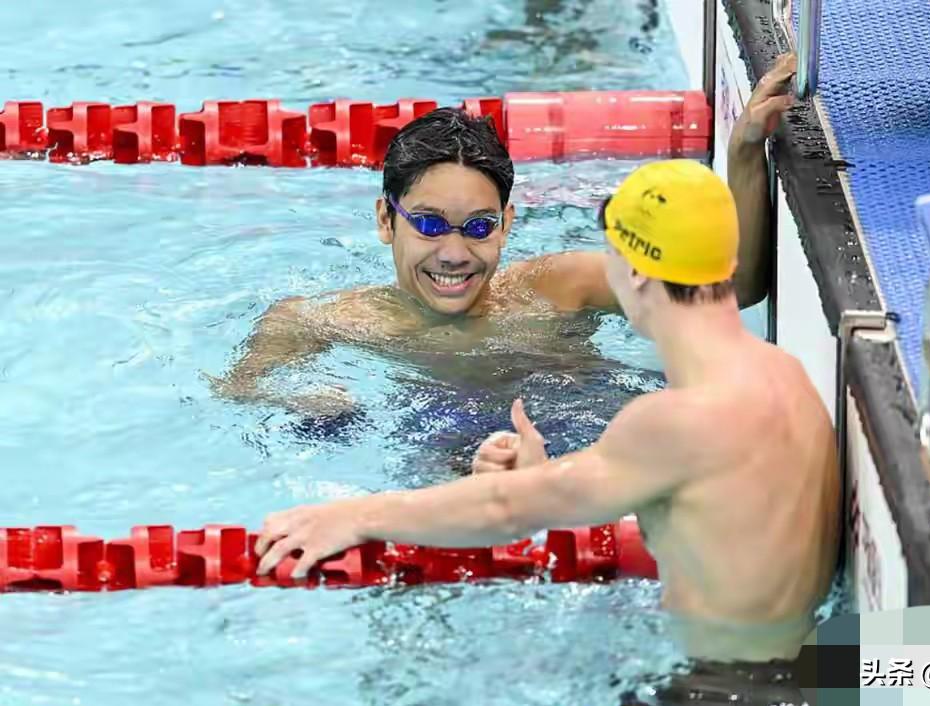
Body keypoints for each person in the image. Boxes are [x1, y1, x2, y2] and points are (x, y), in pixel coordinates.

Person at [252, 151, 840, 664]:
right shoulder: (782, 374)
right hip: (813, 663)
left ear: (633, 271)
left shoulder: (676, 419)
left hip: (727, 688)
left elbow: (509, 510)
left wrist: (353, 516)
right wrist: (544, 476)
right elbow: (711, 526)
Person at [208, 56, 789, 418]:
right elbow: (237, 389)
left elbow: (730, 291)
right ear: (387, 222)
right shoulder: (329, 320)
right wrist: (298, 396)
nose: (455, 254)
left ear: (507, 224)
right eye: (430, 224)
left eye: (480, 227)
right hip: (456, 462)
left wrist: (744, 153)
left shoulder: (561, 288)